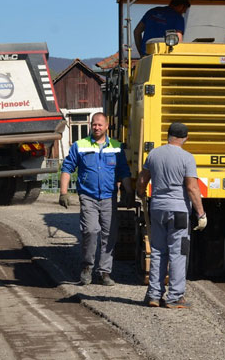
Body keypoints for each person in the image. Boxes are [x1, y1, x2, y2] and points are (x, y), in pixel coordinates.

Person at [136, 122, 207, 309]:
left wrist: (140, 192)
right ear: (186, 138)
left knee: (158, 251)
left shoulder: (154, 154)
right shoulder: (187, 158)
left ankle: (153, 295)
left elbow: (143, 180)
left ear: (168, 135)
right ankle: (174, 296)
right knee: (178, 252)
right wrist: (201, 213)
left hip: (157, 209)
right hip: (179, 212)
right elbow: (192, 187)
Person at [59, 112, 133, 286]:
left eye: (100, 124)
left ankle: (105, 272)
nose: (97, 127)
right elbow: (67, 167)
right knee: (90, 231)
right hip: (88, 196)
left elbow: (124, 172)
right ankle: (86, 268)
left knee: (109, 235)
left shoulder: (116, 147)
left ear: (107, 126)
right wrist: (63, 192)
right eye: (94, 124)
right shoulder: (80, 145)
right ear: (90, 126)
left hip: (109, 197)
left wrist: (129, 192)